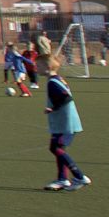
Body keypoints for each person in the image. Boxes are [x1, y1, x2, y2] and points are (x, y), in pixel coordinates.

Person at [41, 54, 90, 191]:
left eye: (38, 66)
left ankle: (79, 176)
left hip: (66, 123)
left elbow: (66, 98)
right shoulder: (57, 79)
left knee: (55, 148)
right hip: (64, 123)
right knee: (59, 149)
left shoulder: (52, 83)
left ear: (47, 67)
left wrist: (53, 108)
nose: (36, 68)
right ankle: (62, 179)